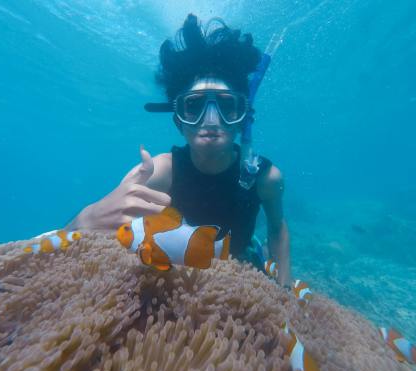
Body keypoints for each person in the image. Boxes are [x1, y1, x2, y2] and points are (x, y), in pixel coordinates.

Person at [67, 14, 291, 286]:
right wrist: (84, 219)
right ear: (178, 120)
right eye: (194, 106)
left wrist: (286, 288)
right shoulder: (159, 172)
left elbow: (277, 229)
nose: (211, 120)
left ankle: (257, 250)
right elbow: (107, 228)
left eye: (226, 106)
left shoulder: (266, 178)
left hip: (240, 261)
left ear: (242, 117)